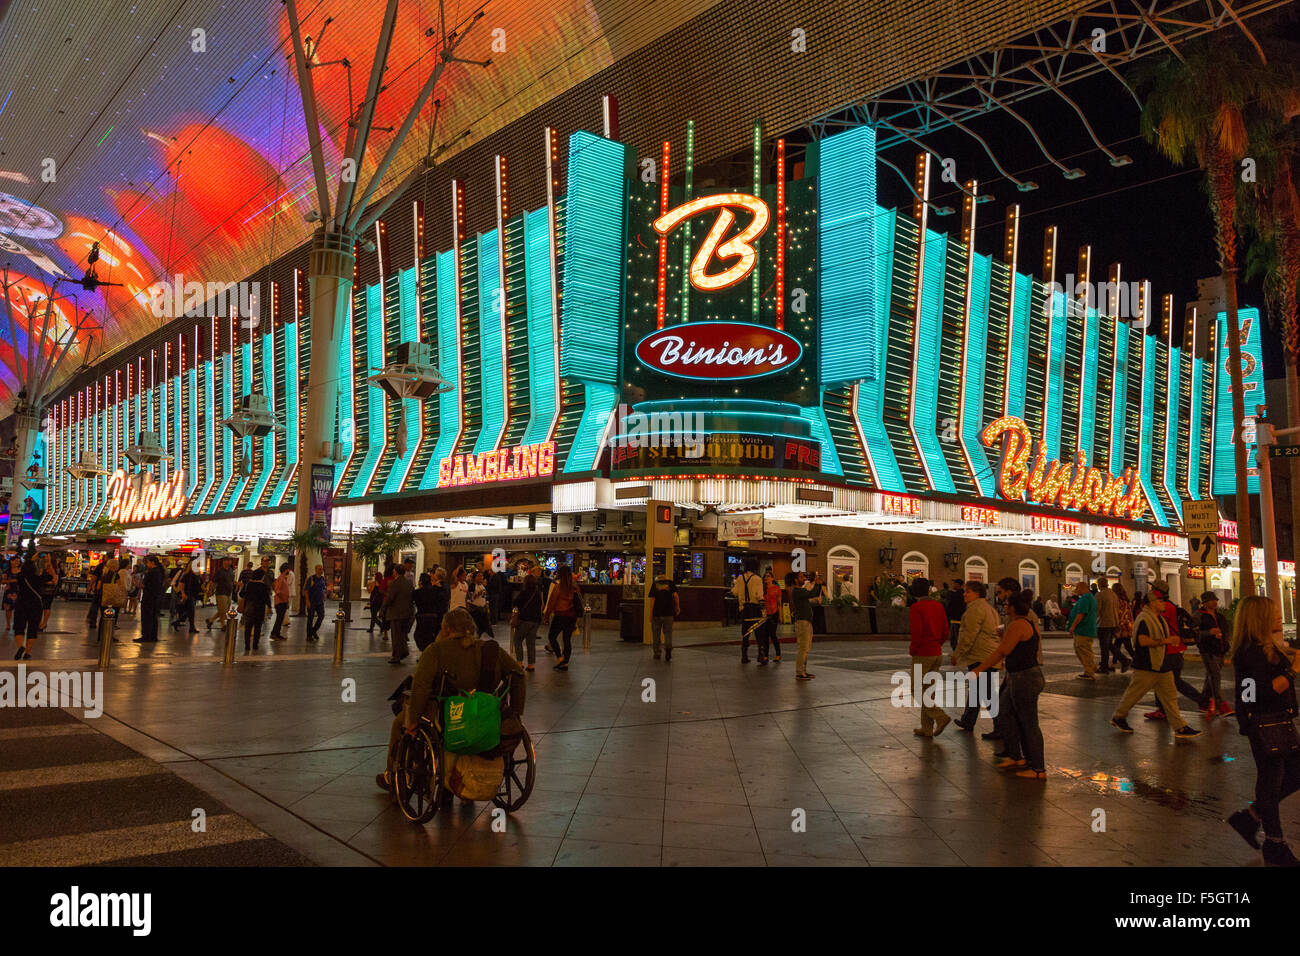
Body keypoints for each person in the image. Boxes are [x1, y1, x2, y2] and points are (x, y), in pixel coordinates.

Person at [377, 608, 526, 793]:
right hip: (484, 712)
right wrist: (516, 712)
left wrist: (413, 720)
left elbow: (421, 687)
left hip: (446, 714)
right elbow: (519, 675)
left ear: (446, 629)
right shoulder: (490, 650)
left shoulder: (436, 650)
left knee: (400, 722)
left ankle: (392, 776)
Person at [1224, 595, 1300, 867]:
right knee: (1271, 781)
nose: (1280, 615)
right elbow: (1257, 695)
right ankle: (1275, 844)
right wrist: (1293, 671)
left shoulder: (1267, 646)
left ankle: (1250, 818)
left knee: (1292, 774)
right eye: (1274, 613)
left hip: (1278, 720)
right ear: (1260, 619)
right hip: (1264, 724)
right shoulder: (1249, 653)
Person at [1109, 586, 1200, 738]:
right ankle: (1118, 717)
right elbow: (1142, 641)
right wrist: (1166, 640)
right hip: (1147, 666)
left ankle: (1180, 727)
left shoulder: (1159, 618)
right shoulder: (1144, 619)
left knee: (1170, 698)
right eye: (1160, 601)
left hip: (1162, 665)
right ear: (1152, 603)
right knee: (1134, 694)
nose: (1164, 603)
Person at [972, 589, 1045, 779]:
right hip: (1017, 676)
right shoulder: (1021, 623)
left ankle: (1038, 769)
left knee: (1029, 723)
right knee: (1005, 712)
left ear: (1012, 607)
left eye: (1006, 605)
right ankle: (1016, 756)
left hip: (1025, 678)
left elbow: (1002, 651)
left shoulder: (1019, 624)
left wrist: (979, 669)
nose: (1004, 607)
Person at [1144, 584, 1208, 720]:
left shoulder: (1163, 607)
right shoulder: (1172, 605)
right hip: (1177, 649)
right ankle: (1163, 708)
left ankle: (1203, 701)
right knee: (1164, 680)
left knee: (1170, 681)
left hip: (1169, 649)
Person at [952, 580, 1000, 730]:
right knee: (977, 689)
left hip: (981, 655)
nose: (964, 594)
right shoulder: (988, 608)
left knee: (986, 692)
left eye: (968, 591)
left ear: (977, 594)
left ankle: (1002, 726)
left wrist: (957, 653)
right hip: (989, 654)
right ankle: (968, 720)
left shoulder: (975, 609)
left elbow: (969, 634)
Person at [908, 577, 951, 737]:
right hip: (936, 652)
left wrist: (913, 649)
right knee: (929, 690)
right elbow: (945, 630)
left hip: (922, 653)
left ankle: (941, 717)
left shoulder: (916, 608)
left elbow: (917, 633)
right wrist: (937, 643)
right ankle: (926, 727)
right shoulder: (938, 606)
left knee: (916, 689)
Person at [1197, 591, 1232, 716]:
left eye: (1215, 600)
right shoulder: (1199, 616)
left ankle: (1203, 702)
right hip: (1208, 650)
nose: (1215, 602)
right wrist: (1209, 632)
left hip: (1220, 649)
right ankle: (1220, 704)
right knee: (1215, 676)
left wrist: (1226, 644)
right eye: (1212, 600)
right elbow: (1194, 634)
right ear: (1205, 603)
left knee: (1211, 677)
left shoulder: (1220, 617)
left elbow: (1226, 631)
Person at [542, 565, 581, 671]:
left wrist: (546, 616)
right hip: (572, 616)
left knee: (552, 637)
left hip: (560, 615)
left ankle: (560, 658)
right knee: (567, 639)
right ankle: (566, 662)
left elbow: (552, 602)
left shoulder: (558, 586)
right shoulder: (574, 586)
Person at [730, 557, 764, 664]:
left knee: (745, 633)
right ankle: (760, 655)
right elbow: (759, 595)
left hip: (744, 608)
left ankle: (744, 656)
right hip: (754, 608)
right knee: (758, 632)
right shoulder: (757, 579)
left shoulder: (740, 579)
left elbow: (734, 592)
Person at [11, 554, 44, 660]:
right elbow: (53, 578)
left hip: (21, 603)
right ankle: (27, 652)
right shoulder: (39, 578)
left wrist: (30, 560)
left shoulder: (20, 576)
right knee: (32, 629)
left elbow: (20, 570)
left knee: (19, 627)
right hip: (35, 605)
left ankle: (21, 646)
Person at [381, 563, 415, 663]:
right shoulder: (409, 583)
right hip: (406, 612)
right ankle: (404, 651)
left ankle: (397, 655)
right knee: (402, 634)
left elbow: (390, 598)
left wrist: (383, 608)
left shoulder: (394, 583)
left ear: (395, 572)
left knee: (396, 636)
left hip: (396, 613)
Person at [510, 573, 543, 671]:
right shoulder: (537, 593)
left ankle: (519, 662)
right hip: (536, 621)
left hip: (525, 620)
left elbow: (515, 602)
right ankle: (531, 665)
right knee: (531, 643)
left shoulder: (524, 592)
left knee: (517, 640)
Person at [238, 558, 272, 652]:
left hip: (249, 609)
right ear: (261, 577)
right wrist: (269, 607)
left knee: (248, 627)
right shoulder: (263, 586)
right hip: (259, 610)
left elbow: (242, 594)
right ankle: (255, 645)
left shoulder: (249, 585)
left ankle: (247, 645)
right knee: (257, 627)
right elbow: (266, 598)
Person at [1067, 580, 1099, 679]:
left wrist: (1073, 626)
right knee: (1080, 649)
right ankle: (1091, 667)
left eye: (1077, 588)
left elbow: (1081, 613)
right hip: (1086, 628)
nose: (1076, 591)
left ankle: (1089, 672)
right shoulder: (1091, 598)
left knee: (1083, 649)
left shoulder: (1085, 598)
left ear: (1082, 588)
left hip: (1083, 628)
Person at [789, 570, 818, 681]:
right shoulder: (797, 591)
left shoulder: (800, 591)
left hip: (806, 621)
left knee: (806, 647)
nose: (803, 578)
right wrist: (818, 583)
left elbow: (809, 599)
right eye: (801, 577)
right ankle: (800, 672)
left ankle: (803, 671)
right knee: (803, 647)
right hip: (802, 622)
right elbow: (812, 593)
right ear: (796, 579)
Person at [648, 569, 679, 663]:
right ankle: (668, 649)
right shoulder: (670, 583)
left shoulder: (655, 584)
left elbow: (652, 599)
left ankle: (657, 653)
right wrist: (677, 607)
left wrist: (651, 613)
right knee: (668, 633)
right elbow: (676, 596)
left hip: (657, 613)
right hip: (669, 613)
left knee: (656, 634)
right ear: (665, 576)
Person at [1096, 576, 1124, 674]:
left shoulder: (1100, 595)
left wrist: (1093, 621)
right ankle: (1107, 664)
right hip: (1113, 623)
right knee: (1108, 645)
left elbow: (1097, 610)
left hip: (1103, 623)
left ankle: (1105, 667)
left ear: (1099, 584)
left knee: (1104, 646)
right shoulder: (1113, 594)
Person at [136, 555, 166, 643]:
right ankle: (153, 636)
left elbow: (144, 585)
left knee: (147, 617)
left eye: (148, 562)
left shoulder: (151, 572)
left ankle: (146, 635)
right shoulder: (160, 572)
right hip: (156, 597)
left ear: (152, 562)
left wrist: (137, 583)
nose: (147, 564)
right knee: (153, 617)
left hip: (148, 597)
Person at [1111, 582, 1135, 672]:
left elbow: (1120, 614)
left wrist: (1117, 625)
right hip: (1128, 624)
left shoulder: (1119, 601)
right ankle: (1113, 664)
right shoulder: (1126, 599)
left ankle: (1137, 661)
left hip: (1122, 625)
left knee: (1126, 646)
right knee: (1117, 645)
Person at [759, 570, 781, 664]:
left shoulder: (776, 588)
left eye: (768, 576)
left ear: (772, 578)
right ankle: (765, 656)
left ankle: (778, 654)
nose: (766, 578)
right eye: (765, 576)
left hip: (774, 613)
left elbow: (779, 602)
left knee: (773, 634)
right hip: (765, 614)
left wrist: (780, 615)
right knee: (765, 636)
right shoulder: (762, 589)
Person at [206, 558, 235, 630]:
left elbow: (232, 580)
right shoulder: (219, 571)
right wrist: (210, 590)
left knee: (224, 610)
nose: (229, 562)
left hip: (229, 592)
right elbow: (213, 582)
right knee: (223, 610)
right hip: (221, 592)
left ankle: (210, 620)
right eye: (227, 560)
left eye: (230, 561)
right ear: (224, 562)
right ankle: (223, 625)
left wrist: (237, 583)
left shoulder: (231, 570)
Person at [269, 563, 294, 640]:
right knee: (279, 619)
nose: (289, 571)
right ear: (285, 570)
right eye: (288, 569)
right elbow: (277, 590)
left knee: (280, 619)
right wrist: (283, 598)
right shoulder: (281, 579)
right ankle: (274, 633)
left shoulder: (283, 578)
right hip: (280, 602)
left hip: (283, 601)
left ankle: (277, 633)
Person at [305, 564, 328, 641]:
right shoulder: (311, 579)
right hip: (312, 601)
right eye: (319, 569)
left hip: (320, 602)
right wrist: (307, 601)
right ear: (316, 570)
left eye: (321, 569)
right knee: (310, 618)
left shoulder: (322, 579)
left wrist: (325, 595)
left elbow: (324, 589)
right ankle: (309, 635)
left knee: (321, 616)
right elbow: (306, 591)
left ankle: (313, 631)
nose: (321, 571)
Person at [943, 579, 965, 651]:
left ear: (959, 585)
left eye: (955, 583)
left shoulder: (956, 594)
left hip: (956, 620)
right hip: (957, 619)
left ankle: (956, 652)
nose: (953, 585)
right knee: (956, 638)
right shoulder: (962, 594)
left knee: (955, 638)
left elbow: (949, 605)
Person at [37, 554, 57, 631]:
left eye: (46, 557)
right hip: (41, 590)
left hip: (48, 591)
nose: (44, 559)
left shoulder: (51, 568)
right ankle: (41, 623)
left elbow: (54, 581)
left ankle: (44, 623)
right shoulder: (42, 568)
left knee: (46, 607)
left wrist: (45, 582)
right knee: (40, 607)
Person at [367, 570, 388, 636]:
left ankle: (380, 626)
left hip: (374, 601)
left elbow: (369, 591)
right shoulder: (382, 583)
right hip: (380, 601)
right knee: (374, 615)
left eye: (375, 575)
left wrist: (367, 585)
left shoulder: (373, 583)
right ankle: (372, 628)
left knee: (373, 615)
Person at [2, 555, 19, 634]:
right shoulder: (7, 571)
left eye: (18, 561)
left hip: (19, 591)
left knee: (19, 609)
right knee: (8, 609)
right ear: (11, 561)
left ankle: (16, 624)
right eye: (16, 561)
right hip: (9, 592)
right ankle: (8, 624)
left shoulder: (20, 570)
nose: (17, 562)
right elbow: (3, 581)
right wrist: (12, 581)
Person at [85, 562, 103, 631]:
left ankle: (92, 622)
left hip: (99, 590)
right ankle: (102, 624)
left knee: (95, 606)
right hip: (107, 592)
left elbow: (94, 577)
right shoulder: (114, 570)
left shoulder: (100, 566)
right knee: (102, 609)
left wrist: (90, 587)